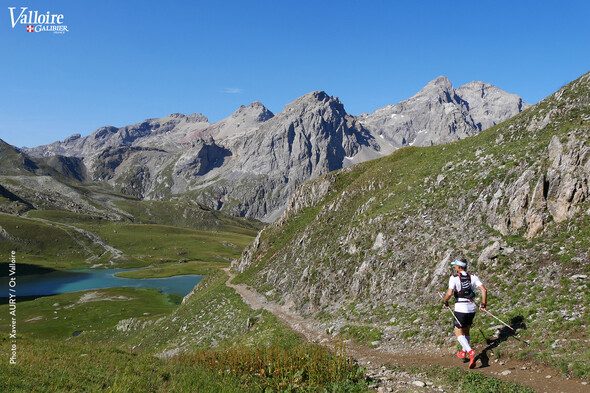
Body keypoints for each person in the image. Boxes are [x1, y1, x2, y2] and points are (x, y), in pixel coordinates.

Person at [442, 257, 487, 369]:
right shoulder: (473, 277)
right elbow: (484, 290)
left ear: (458, 267)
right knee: (466, 330)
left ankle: (471, 353)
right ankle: (463, 353)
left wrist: (445, 301)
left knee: (458, 332)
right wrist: (483, 304)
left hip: (460, 308)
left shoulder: (454, 278)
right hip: (472, 308)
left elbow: (450, 292)